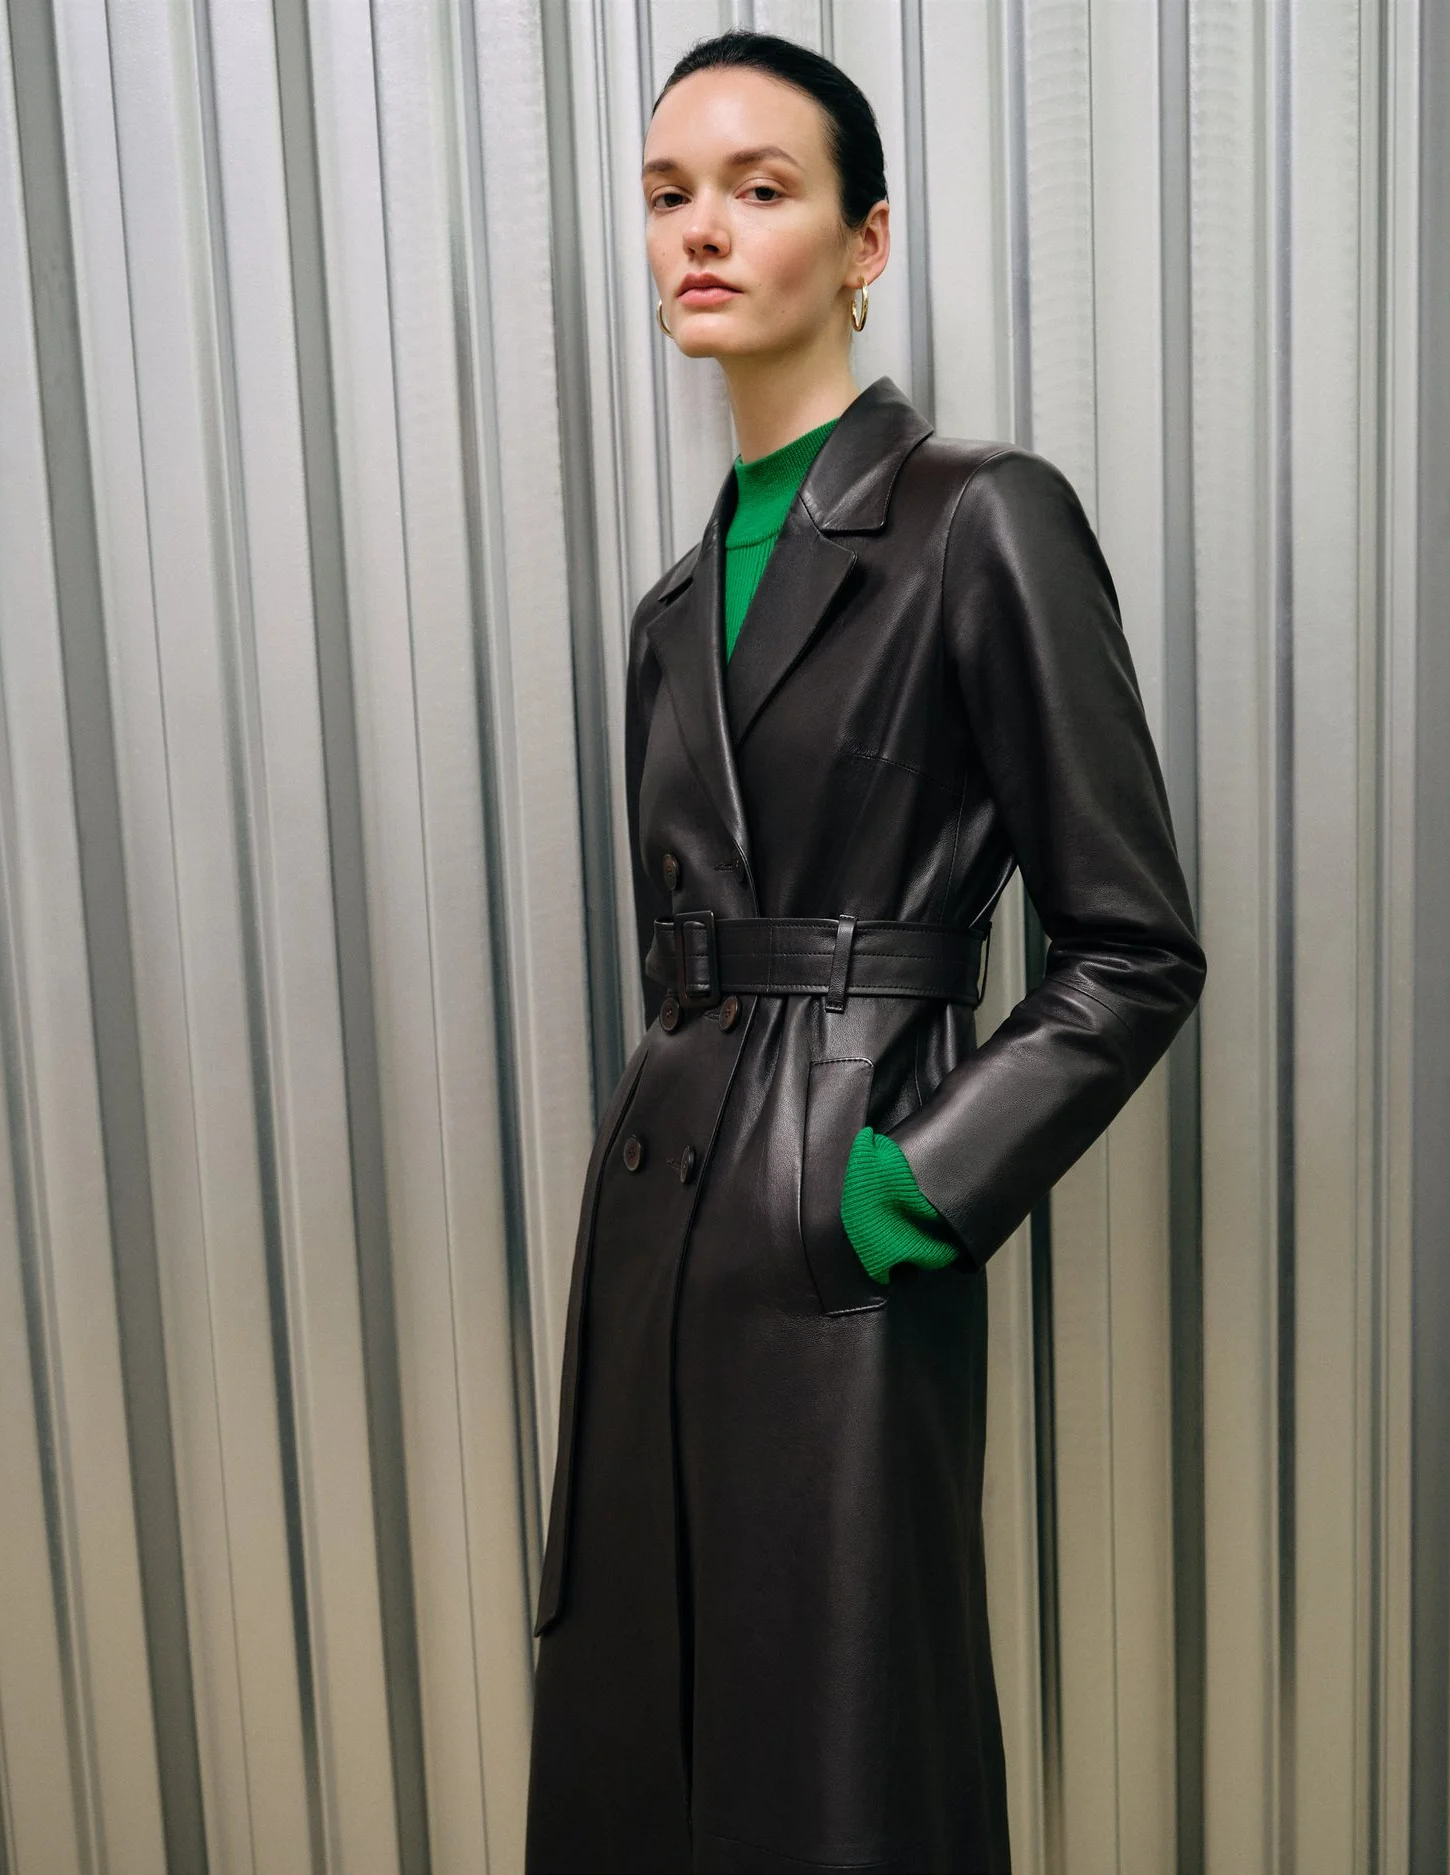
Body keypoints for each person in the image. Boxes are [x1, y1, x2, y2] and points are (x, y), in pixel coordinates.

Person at [525, 29, 1205, 1873]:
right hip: (657, 1227)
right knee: (641, 1733)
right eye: (668, 194)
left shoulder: (981, 516)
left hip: (838, 1222)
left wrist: (904, 1190)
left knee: (839, 1758)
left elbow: (1133, 941)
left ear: (865, 240)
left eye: (760, 189)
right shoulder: (669, 611)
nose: (701, 230)